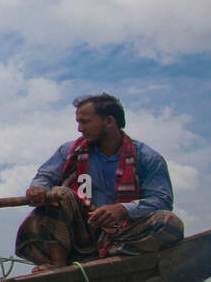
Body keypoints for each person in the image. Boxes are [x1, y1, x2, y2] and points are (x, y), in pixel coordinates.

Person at [15, 93, 184, 270]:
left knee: (169, 223)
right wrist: (38, 188)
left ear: (109, 121)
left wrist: (122, 209)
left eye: (85, 122)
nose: (80, 129)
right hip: (80, 232)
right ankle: (59, 264)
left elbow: (161, 200)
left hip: (124, 233)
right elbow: (45, 176)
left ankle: (109, 254)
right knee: (59, 194)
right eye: (78, 123)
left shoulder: (147, 158)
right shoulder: (70, 151)